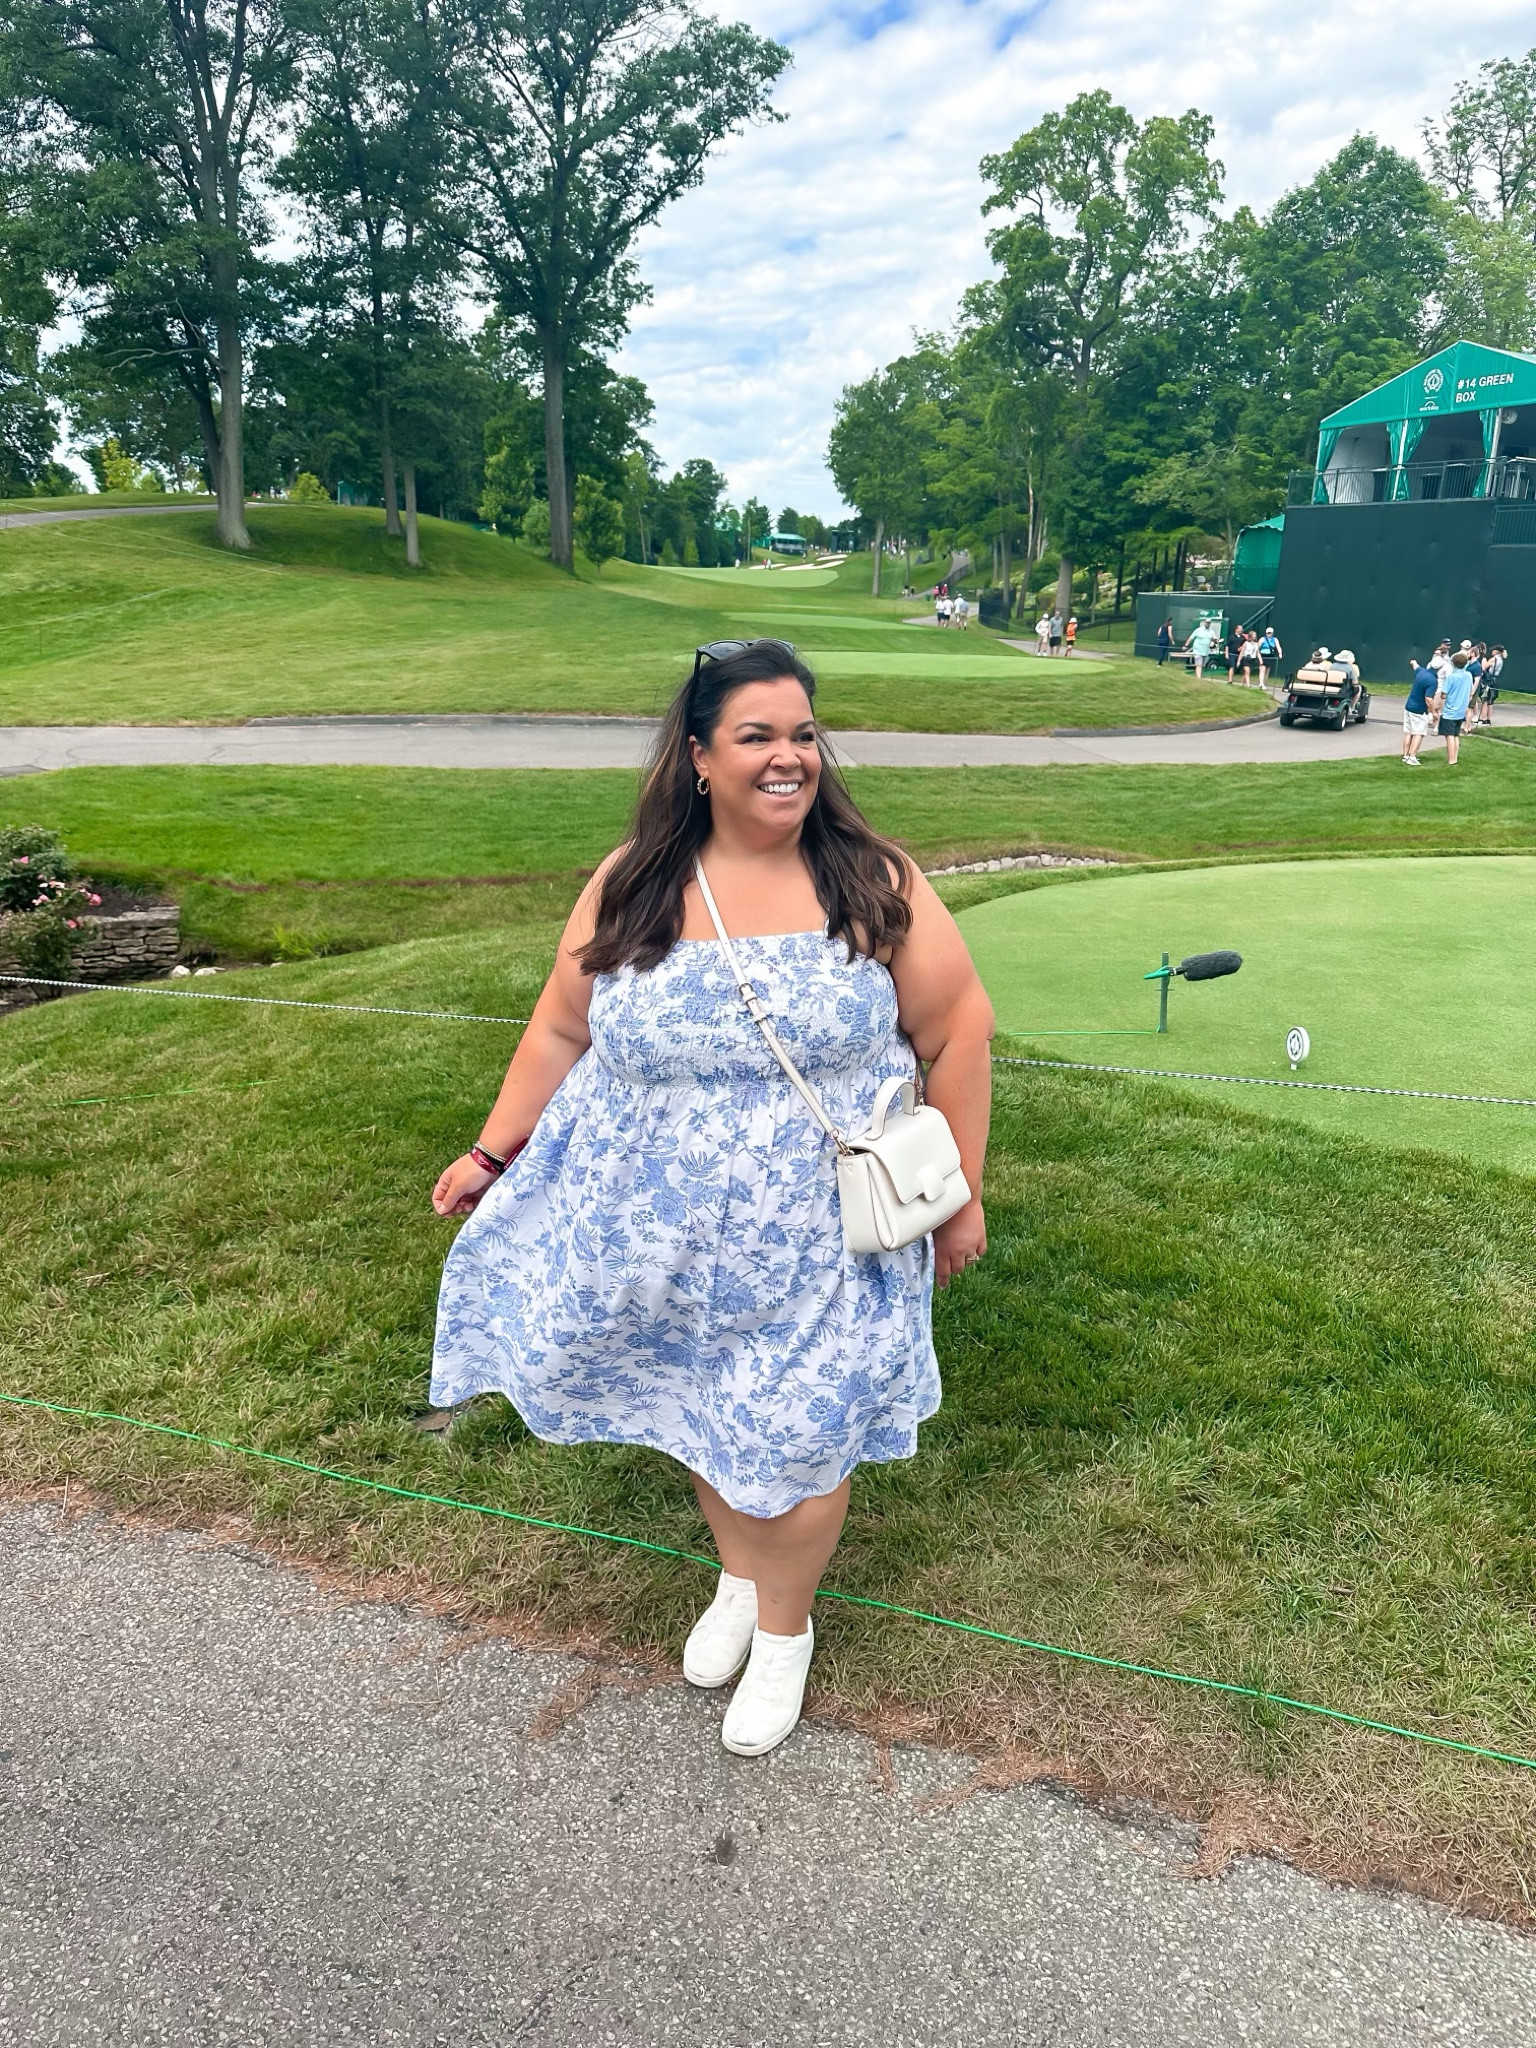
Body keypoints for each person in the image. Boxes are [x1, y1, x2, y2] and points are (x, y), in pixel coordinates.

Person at [429, 640, 994, 1758]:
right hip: (657, 1231)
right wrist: (494, 1152)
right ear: (697, 756)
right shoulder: (634, 878)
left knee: (798, 1434)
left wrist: (960, 1193)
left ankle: (784, 1629)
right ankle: (740, 1578)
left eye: (803, 734)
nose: (790, 758)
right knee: (693, 1401)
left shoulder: (872, 878)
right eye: (757, 736)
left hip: (823, 1237)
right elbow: (560, 1026)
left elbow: (959, 1025)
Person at [1437, 650, 1474, 765]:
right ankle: (1455, 758)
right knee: (1456, 735)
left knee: (1449, 736)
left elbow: (1444, 694)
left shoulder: (1452, 677)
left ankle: (1451, 760)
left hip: (1450, 711)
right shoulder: (1468, 675)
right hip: (1461, 711)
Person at [1401, 657, 1439, 765]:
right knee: (1419, 733)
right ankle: (1412, 757)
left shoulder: (1421, 671)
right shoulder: (1432, 681)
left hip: (1409, 706)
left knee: (1408, 732)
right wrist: (1433, 712)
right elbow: (1428, 699)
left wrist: (1413, 661)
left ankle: (1405, 756)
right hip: (1419, 710)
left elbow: (1415, 665)